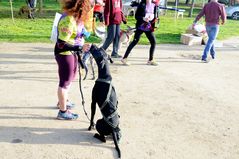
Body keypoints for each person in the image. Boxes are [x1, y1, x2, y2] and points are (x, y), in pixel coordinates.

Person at [54, 0, 92, 120]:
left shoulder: (75, 18)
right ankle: (63, 111)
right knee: (65, 82)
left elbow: (75, 33)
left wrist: (82, 34)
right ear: (81, 8)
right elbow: (61, 44)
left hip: (71, 52)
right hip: (65, 53)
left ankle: (63, 101)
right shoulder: (68, 20)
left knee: (70, 78)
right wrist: (80, 47)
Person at [121, 0, 158, 66]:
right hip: (141, 26)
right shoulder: (142, 5)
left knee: (153, 42)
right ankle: (124, 58)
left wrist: (153, 18)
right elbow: (137, 16)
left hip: (149, 27)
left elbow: (155, 16)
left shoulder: (154, 5)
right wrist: (143, 18)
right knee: (135, 41)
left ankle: (150, 60)